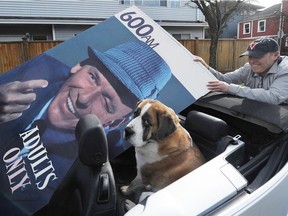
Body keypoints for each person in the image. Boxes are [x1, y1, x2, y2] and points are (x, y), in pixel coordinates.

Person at [0, 40, 172, 215]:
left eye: (107, 102)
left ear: (115, 123)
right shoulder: (33, 71)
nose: (83, 98)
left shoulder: (100, 167)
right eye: (92, 77)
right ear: (78, 66)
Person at [194, 37, 288, 105]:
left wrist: (230, 88)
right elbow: (223, 79)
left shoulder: (285, 70)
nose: (252, 61)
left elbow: (274, 97)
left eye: (258, 56)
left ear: (276, 55)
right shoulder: (248, 68)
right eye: (250, 56)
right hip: (259, 117)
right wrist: (206, 68)